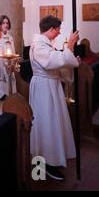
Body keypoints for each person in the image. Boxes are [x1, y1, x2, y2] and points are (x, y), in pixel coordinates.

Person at [29, 15, 80, 181]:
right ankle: (44, 163)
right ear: (50, 30)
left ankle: (52, 158)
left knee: (53, 123)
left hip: (51, 87)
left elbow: (59, 62)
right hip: (44, 89)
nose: (58, 33)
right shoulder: (38, 46)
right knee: (46, 124)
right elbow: (52, 61)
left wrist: (70, 60)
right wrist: (70, 46)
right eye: (57, 29)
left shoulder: (46, 44)